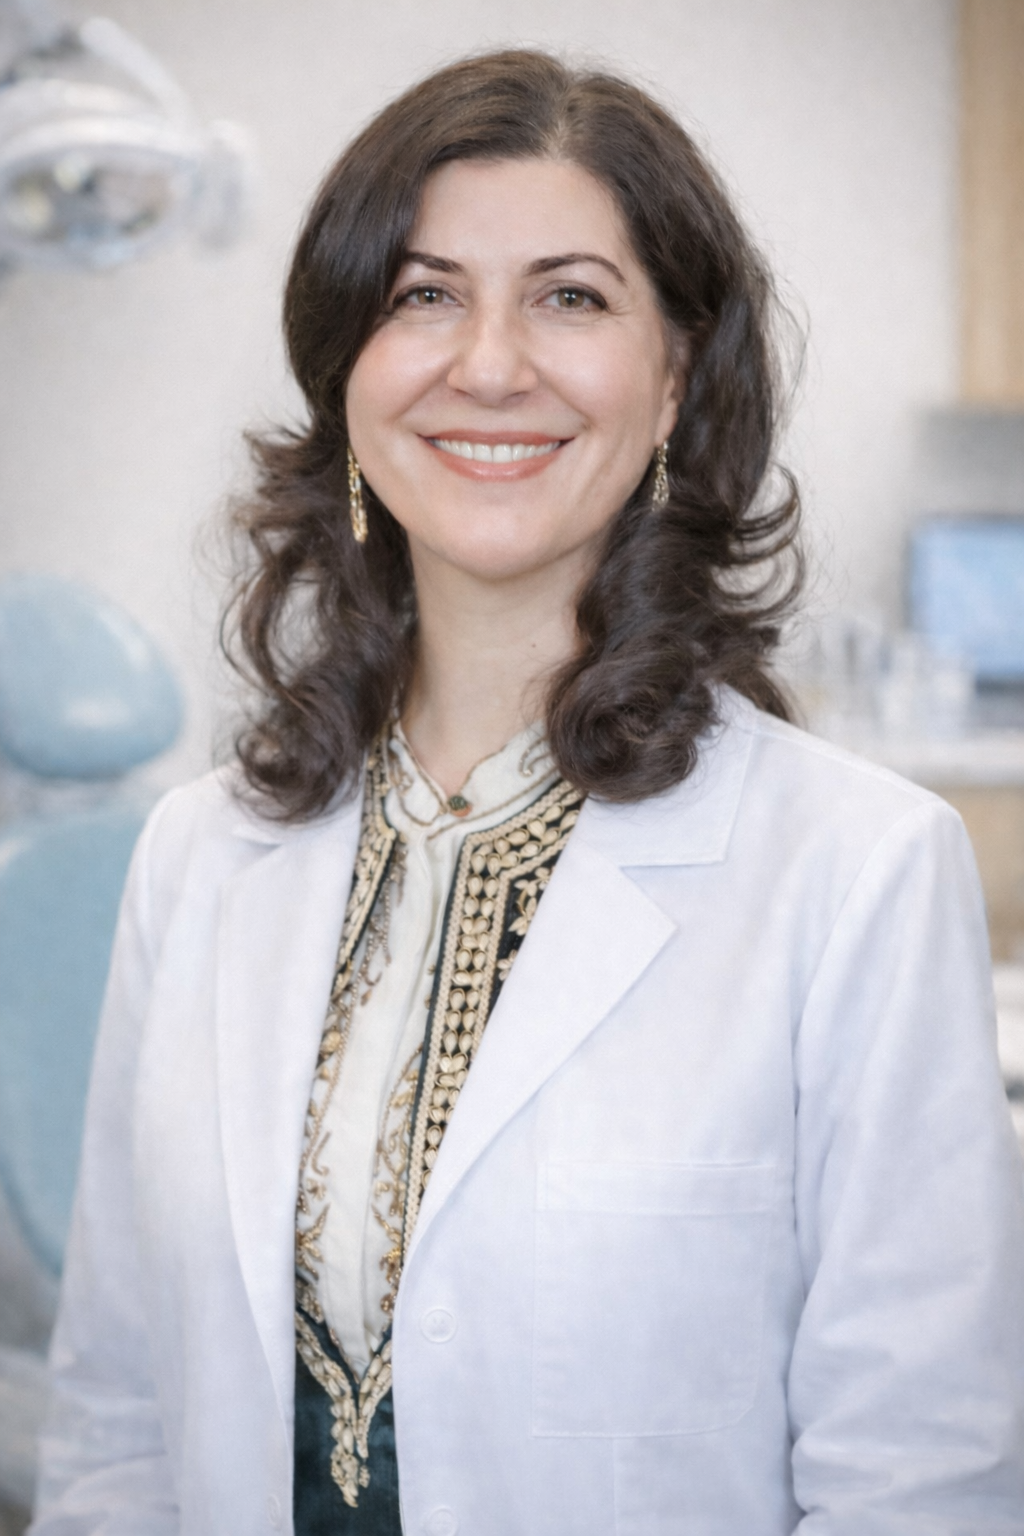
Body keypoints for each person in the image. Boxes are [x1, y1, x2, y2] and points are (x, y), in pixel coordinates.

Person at [30, 49, 1024, 1536]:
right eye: (424, 293)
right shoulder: (199, 856)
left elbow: (921, 1482)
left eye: (571, 296)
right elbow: (116, 1422)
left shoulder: (858, 871)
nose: (488, 362)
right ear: (345, 374)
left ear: (677, 377)